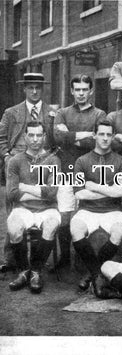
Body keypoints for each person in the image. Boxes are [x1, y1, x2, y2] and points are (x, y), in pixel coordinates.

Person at [0, 72, 56, 273]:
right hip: (17, 162)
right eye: (30, 87)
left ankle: (37, 260)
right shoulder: (11, 112)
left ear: (43, 89)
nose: (34, 91)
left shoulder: (51, 113)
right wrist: (7, 157)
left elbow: (55, 140)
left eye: (38, 87)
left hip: (42, 162)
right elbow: (1, 138)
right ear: (24, 89)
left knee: (41, 202)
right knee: (14, 208)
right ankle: (11, 257)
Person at [54, 74, 107, 270]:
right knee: (65, 213)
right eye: (78, 89)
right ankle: (65, 258)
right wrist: (84, 135)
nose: (81, 93)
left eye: (85, 89)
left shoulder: (99, 114)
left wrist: (72, 136)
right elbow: (57, 137)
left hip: (90, 170)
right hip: (67, 168)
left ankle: (86, 260)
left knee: (88, 213)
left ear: (91, 91)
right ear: (72, 91)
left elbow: (99, 140)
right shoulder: (63, 112)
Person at [70, 121, 122, 292]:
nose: (104, 138)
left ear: (112, 136)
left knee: (118, 232)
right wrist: (110, 190)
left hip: (113, 210)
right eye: (101, 134)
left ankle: (91, 273)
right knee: (76, 230)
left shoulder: (121, 161)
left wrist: (94, 186)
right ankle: (97, 274)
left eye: (108, 135)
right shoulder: (82, 161)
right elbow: (80, 193)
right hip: (87, 210)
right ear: (94, 135)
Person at [6, 122, 61, 293]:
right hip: (23, 209)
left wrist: (25, 187)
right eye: (31, 135)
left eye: (39, 135)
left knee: (51, 225)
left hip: (48, 209)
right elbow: (12, 194)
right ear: (25, 137)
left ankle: (36, 270)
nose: (35, 139)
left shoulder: (53, 160)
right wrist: (40, 192)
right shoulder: (15, 161)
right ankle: (24, 271)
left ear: (44, 136)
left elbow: (52, 193)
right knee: (14, 227)